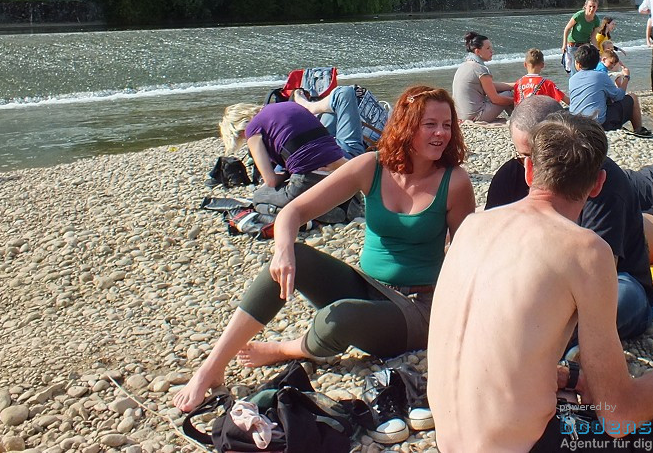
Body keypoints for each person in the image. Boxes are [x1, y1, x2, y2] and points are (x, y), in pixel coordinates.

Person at [428, 114, 653, 453]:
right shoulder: (585, 250)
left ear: (530, 172)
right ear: (598, 183)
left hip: (449, 441)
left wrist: (568, 377)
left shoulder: (471, 226)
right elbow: (622, 416)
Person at [173, 86, 476, 413]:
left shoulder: (455, 182)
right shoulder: (371, 166)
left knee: (340, 317)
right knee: (297, 258)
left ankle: (286, 349)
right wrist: (283, 251)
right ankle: (212, 367)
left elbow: (466, 256)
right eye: (430, 124)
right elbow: (292, 212)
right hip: (368, 287)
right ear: (407, 125)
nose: (441, 133)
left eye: (447, 125)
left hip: (418, 307)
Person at [485, 96, 653, 340]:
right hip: (531, 280)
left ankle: (543, 342)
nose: (527, 165)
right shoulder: (511, 173)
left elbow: (599, 274)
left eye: (533, 156)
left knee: (622, 298)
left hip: (610, 282)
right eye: (520, 154)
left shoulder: (596, 179)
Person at [219, 101, 346, 191]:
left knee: (261, 196)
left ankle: (312, 218)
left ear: (240, 130)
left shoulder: (252, 129)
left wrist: (285, 175)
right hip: (339, 161)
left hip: (307, 176)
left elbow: (271, 181)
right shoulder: (290, 105)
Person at [568, 44, 651, 136]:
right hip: (598, 124)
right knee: (633, 98)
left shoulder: (572, 79)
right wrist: (626, 77)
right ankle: (638, 129)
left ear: (578, 64)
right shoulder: (601, 76)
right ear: (598, 61)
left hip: (576, 123)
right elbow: (619, 96)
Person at [293, 84, 373, 158]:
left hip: (319, 146)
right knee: (344, 93)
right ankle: (310, 106)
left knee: (333, 107)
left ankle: (314, 107)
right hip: (343, 153)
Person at [451, 31, 514, 121]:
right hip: (476, 116)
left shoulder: (464, 65)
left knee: (505, 92)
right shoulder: (480, 69)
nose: (492, 51)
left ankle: (515, 117)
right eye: (488, 48)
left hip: (460, 116)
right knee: (508, 93)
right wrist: (517, 100)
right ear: (477, 51)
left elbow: (491, 86)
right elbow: (496, 99)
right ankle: (519, 118)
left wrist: (517, 84)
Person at [561, 0, 600, 73]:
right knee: (575, 68)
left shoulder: (596, 20)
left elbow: (593, 37)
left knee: (585, 68)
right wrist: (564, 45)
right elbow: (567, 29)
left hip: (585, 46)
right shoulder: (579, 15)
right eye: (590, 6)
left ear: (597, 8)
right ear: (586, 6)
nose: (592, 9)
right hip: (573, 45)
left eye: (594, 7)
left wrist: (597, 49)